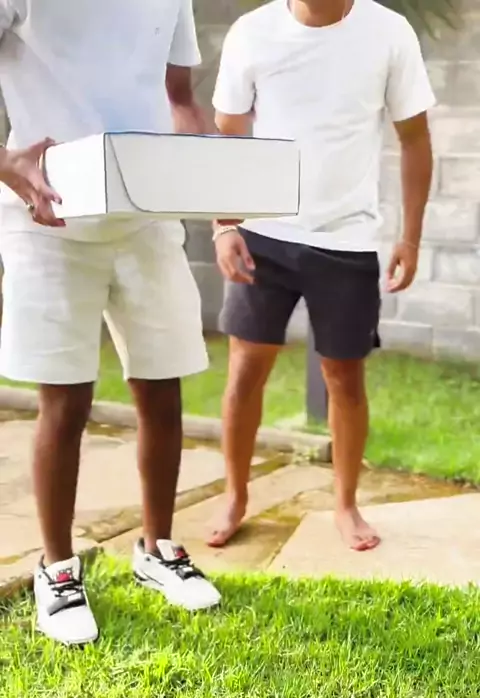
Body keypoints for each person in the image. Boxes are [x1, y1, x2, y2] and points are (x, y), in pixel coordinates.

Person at [0, 0, 221, 647]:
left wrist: (211, 173)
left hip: (147, 215)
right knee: (65, 400)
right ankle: (58, 568)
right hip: (48, 216)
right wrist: (6, 162)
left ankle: (157, 549)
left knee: (162, 386)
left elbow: (178, 97)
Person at [209, 0, 434, 552]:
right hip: (263, 234)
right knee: (245, 371)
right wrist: (224, 225)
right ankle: (235, 495)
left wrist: (409, 238)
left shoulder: (389, 32)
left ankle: (345, 503)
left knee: (344, 377)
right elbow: (229, 135)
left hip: (346, 240)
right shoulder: (252, 32)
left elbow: (414, 138)